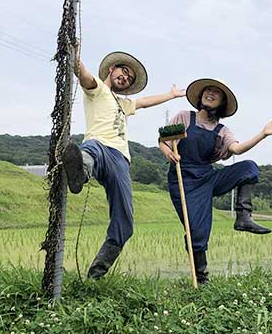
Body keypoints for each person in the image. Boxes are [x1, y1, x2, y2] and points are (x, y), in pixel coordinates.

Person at [63, 48, 185, 279]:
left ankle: (95, 276)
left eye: (129, 77)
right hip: (97, 146)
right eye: (123, 71)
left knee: (125, 224)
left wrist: (171, 95)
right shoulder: (98, 90)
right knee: (90, 151)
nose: (126, 77)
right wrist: (76, 57)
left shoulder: (124, 104)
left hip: (121, 160)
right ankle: (80, 172)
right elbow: (85, 76)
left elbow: (145, 102)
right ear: (112, 69)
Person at [158, 78, 272, 284]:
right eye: (207, 91)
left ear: (221, 103)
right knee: (196, 231)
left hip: (208, 177)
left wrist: (263, 134)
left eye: (216, 93)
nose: (210, 94)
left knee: (249, 168)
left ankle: (243, 217)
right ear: (200, 97)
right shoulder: (184, 117)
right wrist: (168, 153)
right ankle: (201, 279)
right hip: (183, 179)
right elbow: (163, 141)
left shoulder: (222, 131)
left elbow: (236, 149)